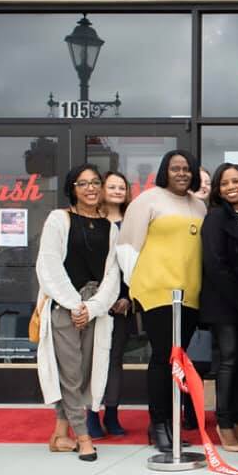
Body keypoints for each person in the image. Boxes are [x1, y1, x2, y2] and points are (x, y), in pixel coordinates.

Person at [116, 150, 206, 453]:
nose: (181, 173)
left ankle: (173, 424)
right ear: (165, 171)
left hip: (189, 293)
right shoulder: (147, 201)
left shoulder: (200, 205)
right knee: (162, 357)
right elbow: (127, 247)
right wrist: (136, 287)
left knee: (178, 361)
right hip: (157, 291)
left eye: (186, 168)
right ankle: (158, 425)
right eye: (175, 168)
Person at [36, 164, 121, 461]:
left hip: (93, 309)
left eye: (95, 182)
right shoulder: (59, 219)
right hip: (64, 308)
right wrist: (74, 305)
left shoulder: (111, 228)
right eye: (82, 183)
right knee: (70, 374)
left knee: (84, 375)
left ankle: (60, 435)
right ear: (72, 188)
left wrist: (92, 307)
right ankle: (83, 436)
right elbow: (48, 265)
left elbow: (113, 274)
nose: (90, 188)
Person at [199, 163, 238, 453]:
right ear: (218, 190)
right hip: (225, 301)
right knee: (230, 359)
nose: (231, 186)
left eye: (236, 180)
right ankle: (224, 424)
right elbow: (215, 264)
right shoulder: (215, 218)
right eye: (224, 183)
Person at [84, 171, 132, 439]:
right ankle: (91, 414)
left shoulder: (132, 222)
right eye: (111, 186)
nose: (116, 191)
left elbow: (134, 264)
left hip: (122, 304)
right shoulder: (92, 220)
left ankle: (111, 413)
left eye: (121, 187)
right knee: (93, 359)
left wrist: (127, 296)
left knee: (114, 361)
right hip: (93, 300)